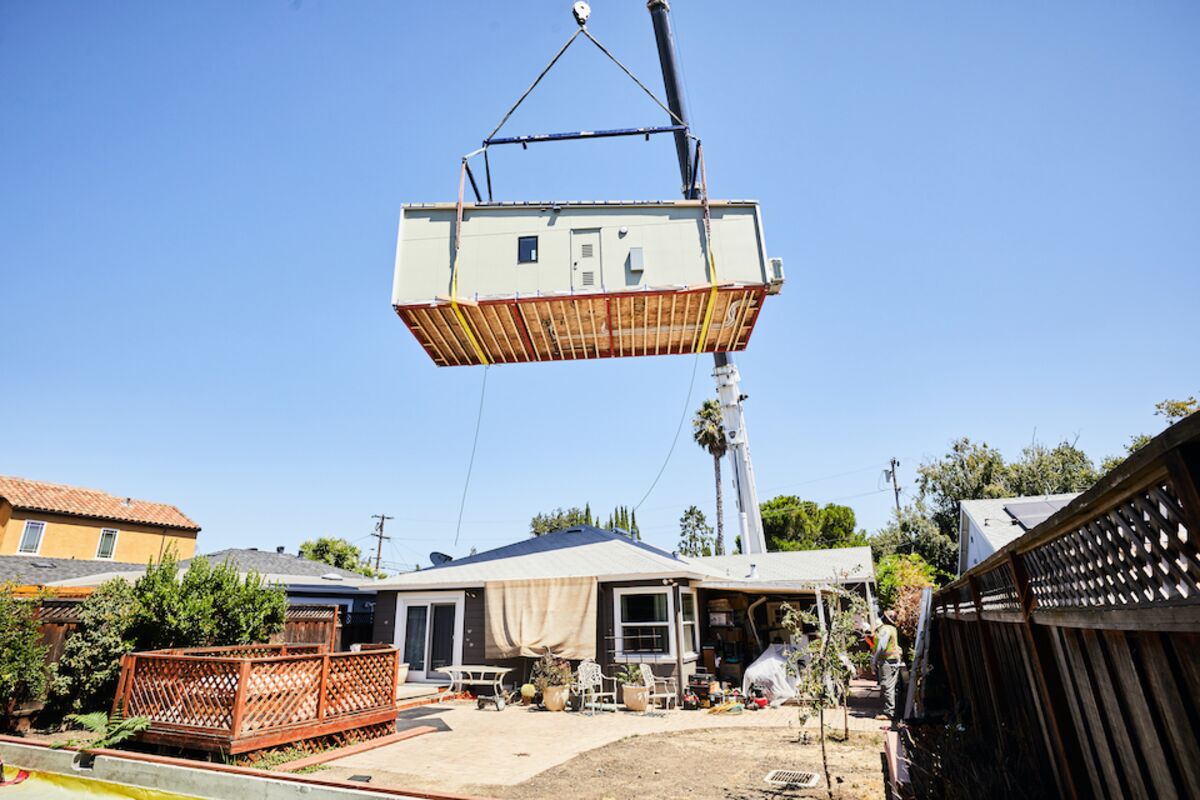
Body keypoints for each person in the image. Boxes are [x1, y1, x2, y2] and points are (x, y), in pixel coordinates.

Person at [872, 610, 902, 721]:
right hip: (893, 661)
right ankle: (890, 710)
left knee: (886, 686)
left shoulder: (885, 629)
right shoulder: (892, 629)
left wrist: (874, 660)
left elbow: (881, 647)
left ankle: (889, 713)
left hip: (888, 662)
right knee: (890, 686)